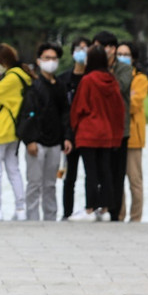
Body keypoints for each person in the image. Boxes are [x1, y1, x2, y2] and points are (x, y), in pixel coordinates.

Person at [68, 45, 124, 221]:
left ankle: (90, 209)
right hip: (106, 132)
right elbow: (119, 110)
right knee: (105, 170)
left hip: (88, 132)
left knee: (90, 171)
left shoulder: (87, 80)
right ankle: (105, 209)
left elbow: (79, 108)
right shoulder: (112, 81)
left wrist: (74, 127)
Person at [0, 43, 33, 220]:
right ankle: (20, 209)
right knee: (13, 169)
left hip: (1, 130)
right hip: (12, 131)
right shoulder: (21, 76)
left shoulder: (12, 78)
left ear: (1, 61)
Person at [22, 43, 72, 221]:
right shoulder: (34, 86)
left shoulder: (60, 85)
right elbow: (27, 115)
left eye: (53, 58)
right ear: (39, 60)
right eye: (46, 58)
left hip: (55, 142)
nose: (50, 62)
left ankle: (51, 218)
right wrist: (30, 140)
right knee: (34, 183)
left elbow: (65, 113)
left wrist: (67, 137)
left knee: (50, 184)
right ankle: (32, 219)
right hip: (37, 143)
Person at [94, 30, 130, 221]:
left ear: (112, 48)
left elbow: (119, 87)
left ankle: (115, 213)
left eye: (103, 46)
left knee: (117, 172)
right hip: (99, 129)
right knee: (100, 171)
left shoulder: (123, 68)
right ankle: (102, 207)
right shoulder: (94, 67)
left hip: (120, 130)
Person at [56, 37, 88, 219]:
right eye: (78, 48)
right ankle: (67, 213)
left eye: (85, 48)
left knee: (91, 176)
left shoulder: (92, 78)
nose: (82, 52)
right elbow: (62, 110)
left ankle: (88, 210)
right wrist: (65, 135)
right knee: (70, 177)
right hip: (70, 135)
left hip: (88, 134)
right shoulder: (63, 80)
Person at [120, 42, 148, 222]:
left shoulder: (140, 78)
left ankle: (135, 218)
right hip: (115, 137)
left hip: (133, 137)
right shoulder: (113, 75)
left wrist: (120, 99)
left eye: (126, 54)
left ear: (133, 58)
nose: (122, 57)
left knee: (135, 181)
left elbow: (133, 103)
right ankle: (119, 215)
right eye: (119, 54)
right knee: (117, 180)